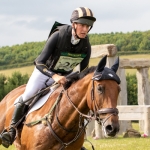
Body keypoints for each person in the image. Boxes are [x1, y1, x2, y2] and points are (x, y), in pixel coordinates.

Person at [0, 7, 96, 148]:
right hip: (44, 72)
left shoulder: (85, 44)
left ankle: (75, 139)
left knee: (73, 102)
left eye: (88, 26)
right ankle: (12, 131)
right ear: (74, 24)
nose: (85, 29)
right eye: (82, 25)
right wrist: (55, 76)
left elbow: (83, 71)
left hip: (64, 76)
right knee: (28, 95)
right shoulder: (58, 35)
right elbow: (39, 62)